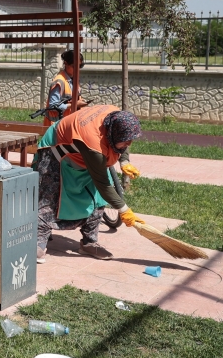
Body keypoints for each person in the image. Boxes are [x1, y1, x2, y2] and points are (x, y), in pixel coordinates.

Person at [33, 104, 144, 262]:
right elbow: (102, 183)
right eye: (126, 140)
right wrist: (124, 210)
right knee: (50, 199)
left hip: (84, 149)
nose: (129, 144)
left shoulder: (115, 119)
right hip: (57, 150)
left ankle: (89, 242)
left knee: (97, 199)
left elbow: (123, 137)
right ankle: (38, 243)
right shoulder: (93, 143)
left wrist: (124, 161)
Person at [43, 49, 89, 126]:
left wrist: (80, 102)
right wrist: (75, 104)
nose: (77, 69)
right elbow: (53, 106)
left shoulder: (74, 79)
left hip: (68, 124)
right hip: (56, 127)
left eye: (80, 66)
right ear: (66, 63)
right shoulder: (59, 81)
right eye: (74, 66)